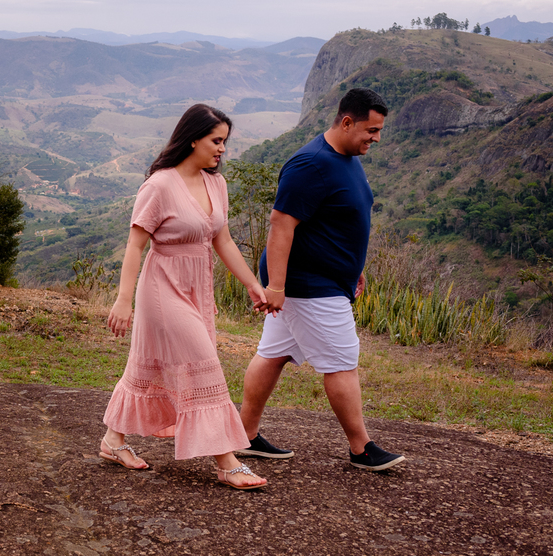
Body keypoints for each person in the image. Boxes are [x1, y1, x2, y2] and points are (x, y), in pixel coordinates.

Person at [100, 104, 270, 490]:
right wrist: (124, 300)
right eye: (216, 140)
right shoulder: (160, 185)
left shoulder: (216, 184)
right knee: (203, 363)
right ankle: (226, 462)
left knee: (148, 368)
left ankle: (112, 440)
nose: (222, 148)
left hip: (198, 288)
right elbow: (135, 245)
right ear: (193, 139)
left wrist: (251, 283)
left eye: (225, 141)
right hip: (162, 288)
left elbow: (223, 240)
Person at [237, 87, 406, 471]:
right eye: (372, 130)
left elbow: (338, 220)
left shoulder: (345, 158)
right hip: (309, 285)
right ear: (346, 122)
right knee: (342, 361)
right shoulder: (310, 164)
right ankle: (361, 448)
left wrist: (352, 266)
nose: (377, 138)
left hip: (324, 279)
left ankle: (243, 435)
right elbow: (281, 225)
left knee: (273, 354)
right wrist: (276, 287)